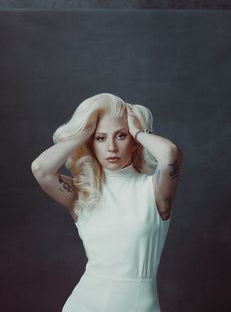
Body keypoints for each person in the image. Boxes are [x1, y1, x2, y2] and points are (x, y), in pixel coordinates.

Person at [31, 93, 183, 312]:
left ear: (133, 142)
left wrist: (139, 131)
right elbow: (40, 169)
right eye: (101, 138)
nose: (111, 147)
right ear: (91, 143)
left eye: (121, 136)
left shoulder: (154, 191)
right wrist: (85, 131)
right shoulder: (83, 192)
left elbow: (170, 154)